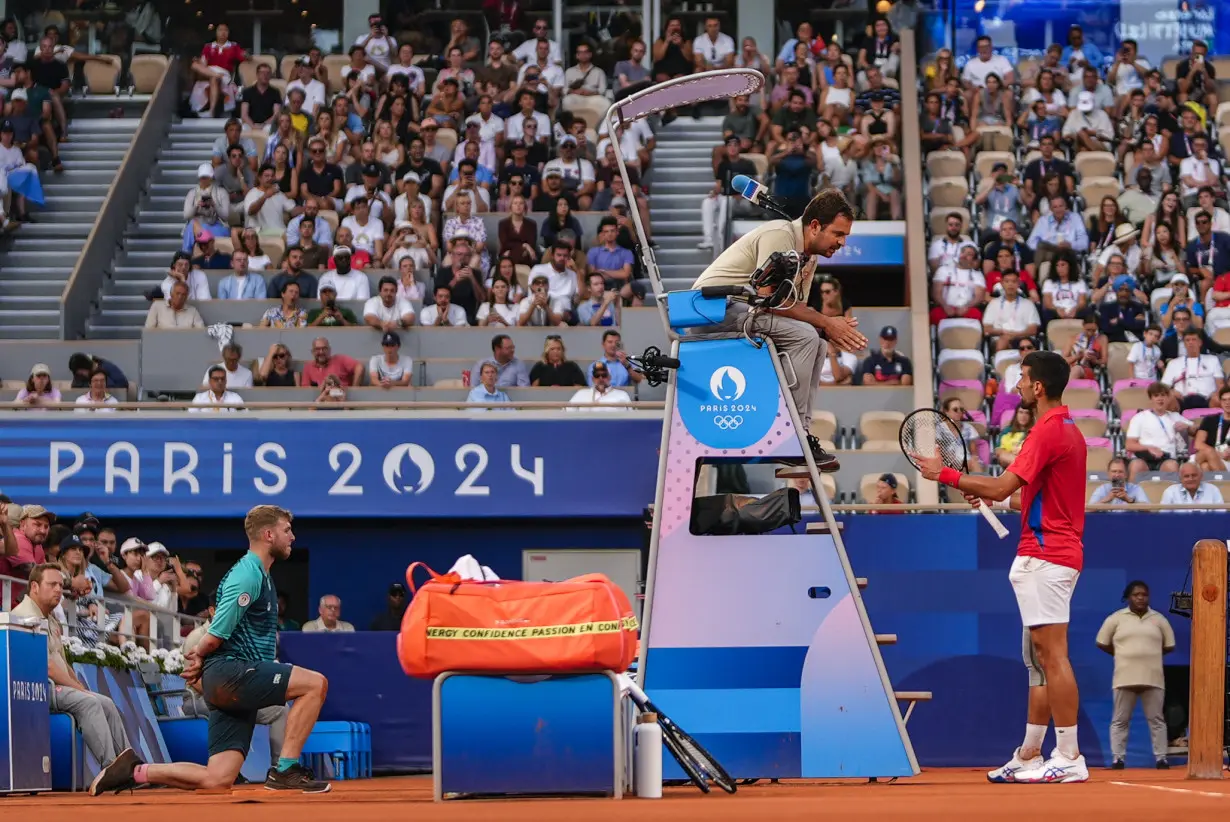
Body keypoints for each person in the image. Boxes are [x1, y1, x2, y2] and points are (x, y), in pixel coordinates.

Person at [915, 350, 1088, 783]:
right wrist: (992, 496)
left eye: (1023, 379)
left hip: (1047, 556)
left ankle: (1069, 756)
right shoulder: (1067, 429)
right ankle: (1030, 754)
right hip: (1048, 551)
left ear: (1039, 387)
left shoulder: (1047, 432)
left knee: (1053, 656)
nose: (1017, 387)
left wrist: (948, 477)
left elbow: (1001, 483)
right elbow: (1023, 496)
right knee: (1038, 659)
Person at [88, 506, 331, 795]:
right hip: (233, 672)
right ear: (268, 534)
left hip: (231, 683)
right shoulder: (248, 574)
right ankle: (286, 768)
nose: (292, 536)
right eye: (287, 530)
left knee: (217, 779)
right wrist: (199, 656)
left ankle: (136, 770)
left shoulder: (260, 573)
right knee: (315, 684)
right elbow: (217, 631)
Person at [689, 189, 865, 472]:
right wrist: (826, 322)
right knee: (808, 336)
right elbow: (766, 297)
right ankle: (787, 436)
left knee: (817, 342)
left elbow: (794, 309)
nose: (842, 242)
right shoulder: (780, 234)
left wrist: (829, 329)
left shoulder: (810, 257)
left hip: (743, 310)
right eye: (838, 234)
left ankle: (801, 435)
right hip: (710, 309)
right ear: (815, 226)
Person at [1096, 581, 1175, 769]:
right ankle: (1118, 758)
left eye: (1144, 595)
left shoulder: (1159, 619)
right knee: (1120, 720)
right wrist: (1122, 654)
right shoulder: (1116, 619)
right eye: (1136, 594)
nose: (1141, 598)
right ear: (1128, 597)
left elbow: (1169, 645)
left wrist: (1149, 655)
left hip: (1153, 677)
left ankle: (1161, 758)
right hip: (1124, 677)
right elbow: (1102, 642)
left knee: (1156, 720)